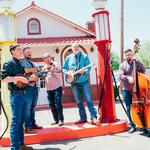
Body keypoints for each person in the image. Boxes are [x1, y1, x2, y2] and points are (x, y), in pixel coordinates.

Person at [1, 45, 33, 150]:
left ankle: (21, 144)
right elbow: (4, 78)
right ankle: (14, 147)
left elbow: (23, 80)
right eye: (18, 49)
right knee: (16, 121)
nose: (21, 51)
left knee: (22, 120)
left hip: (23, 94)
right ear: (12, 52)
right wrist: (18, 78)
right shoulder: (8, 63)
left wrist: (28, 79)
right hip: (15, 95)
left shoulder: (21, 63)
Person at [62, 42, 98, 124]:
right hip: (73, 82)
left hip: (84, 81)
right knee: (78, 101)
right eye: (75, 47)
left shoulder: (84, 56)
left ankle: (94, 117)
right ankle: (83, 118)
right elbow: (64, 68)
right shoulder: (68, 58)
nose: (76, 48)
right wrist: (67, 73)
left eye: (78, 46)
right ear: (72, 48)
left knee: (88, 99)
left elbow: (88, 67)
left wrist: (84, 71)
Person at [119, 48, 145, 133]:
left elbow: (143, 71)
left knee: (141, 106)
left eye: (129, 55)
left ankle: (143, 124)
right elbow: (121, 76)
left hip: (137, 89)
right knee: (129, 107)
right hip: (126, 89)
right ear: (125, 56)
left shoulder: (136, 63)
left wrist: (139, 62)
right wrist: (127, 77)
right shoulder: (122, 65)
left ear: (132, 54)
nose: (128, 56)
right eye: (126, 55)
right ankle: (132, 125)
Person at [23, 47, 43, 133]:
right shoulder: (21, 63)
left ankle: (33, 124)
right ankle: (27, 127)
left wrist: (41, 73)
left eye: (30, 52)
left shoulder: (35, 64)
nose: (29, 53)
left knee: (33, 107)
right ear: (24, 53)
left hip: (35, 87)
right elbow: (22, 75)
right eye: (27, 52)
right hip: (27, 87)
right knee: (27, 107)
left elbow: (40, 74)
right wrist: (30, 78)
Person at [42, 53, 64, 126]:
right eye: (45, 57)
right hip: (48, 88)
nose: (47, 58)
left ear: (50, 57)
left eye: (48, 57)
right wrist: (44, 71)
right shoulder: (44, 67)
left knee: (58, 103)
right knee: (51, 105)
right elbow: (42, 76)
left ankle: (61, 120)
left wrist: (53, 70)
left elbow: (59, 75)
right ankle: (56, 120)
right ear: (44, 60)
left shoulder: (55, 64)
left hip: (57, 87)